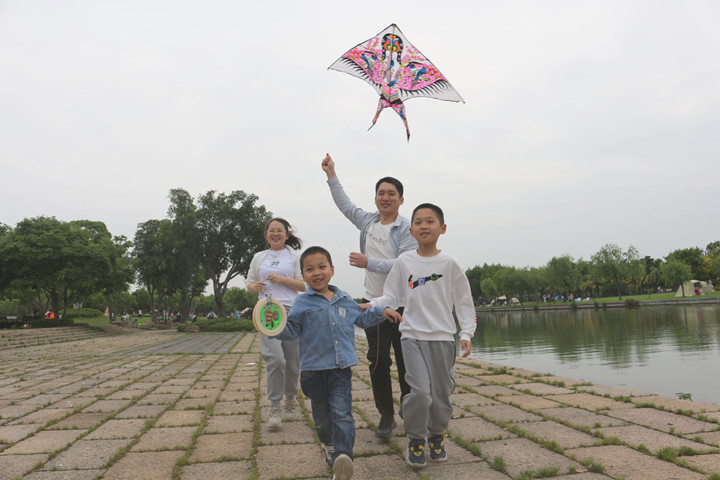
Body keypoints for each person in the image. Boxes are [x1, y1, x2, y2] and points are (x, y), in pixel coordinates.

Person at [273, 246, 401, 480]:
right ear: (303, 276)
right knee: (323, 420)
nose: (317, 272)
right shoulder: (301, 303)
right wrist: (274, 324)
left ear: (332, 270)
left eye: (322, 267)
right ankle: (329, 446)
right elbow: (291, 331)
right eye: (309, 269)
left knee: (342, 414)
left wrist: (381, 311)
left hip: (341, 370)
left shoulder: (344, 299)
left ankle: (344, 457)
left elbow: (361, 319)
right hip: (313, 372)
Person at [364, 203, 476, 468]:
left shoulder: (449, 263)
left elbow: (464, 302)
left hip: (443, 339)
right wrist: (372, 304)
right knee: (420, 393)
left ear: (442, 228)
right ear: (411, 230)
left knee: (440, 395)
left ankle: (436, 435)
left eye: (430, 221)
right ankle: (416, 439)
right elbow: (392, 295)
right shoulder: (404, 262)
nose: (424, 226)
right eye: (418, 222)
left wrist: (466, 332)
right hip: (411, 336)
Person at [321, 153, 416, 438]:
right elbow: (345, 205)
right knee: (377, 361)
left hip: (403, 306)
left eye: (391, 194)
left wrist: (368, 262)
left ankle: (409, 407)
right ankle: (386, 415)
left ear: (401, 199)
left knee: (407, 363)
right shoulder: (367, 222)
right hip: (373, 305)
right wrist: (331, 174)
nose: (385, 197)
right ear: (375, 198)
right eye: (381, 193)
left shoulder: (407, 228)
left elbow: (404, 264)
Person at [247, 218, 305, 429]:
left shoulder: (295, 257)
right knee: (276, 360)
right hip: (267, 311)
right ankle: (274, 407)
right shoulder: (259, 257)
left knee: (292, 361)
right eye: (271, 230)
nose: (275, 233)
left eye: (279, 230)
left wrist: (282, 279)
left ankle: (290, 398)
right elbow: (249, 283)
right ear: (266, 235)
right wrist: (255, 286)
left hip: (290, 311)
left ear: (287, 235)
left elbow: (305, 285)